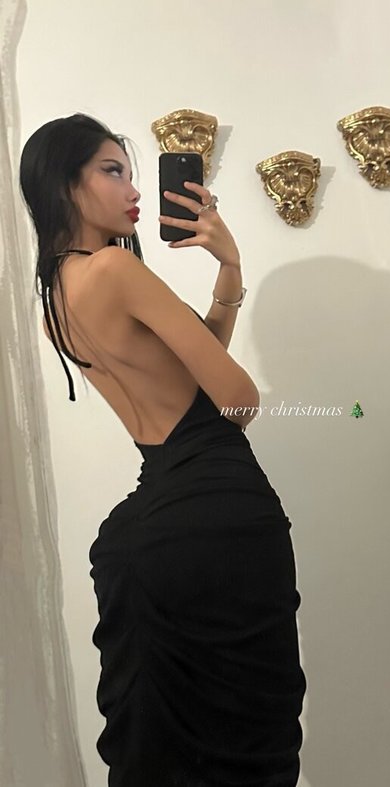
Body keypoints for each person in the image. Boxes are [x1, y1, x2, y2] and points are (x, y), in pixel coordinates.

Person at [19, 112, 307, 787]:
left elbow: (182, 376)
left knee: (172, 752)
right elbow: (236, 399)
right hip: (220, 507)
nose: (133, 189)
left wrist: (228, 272)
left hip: (150, 525)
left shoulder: (54, 301)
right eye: (111, 170)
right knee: (249, 737)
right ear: (63, 184)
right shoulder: (117, 266)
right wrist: (231, 260)